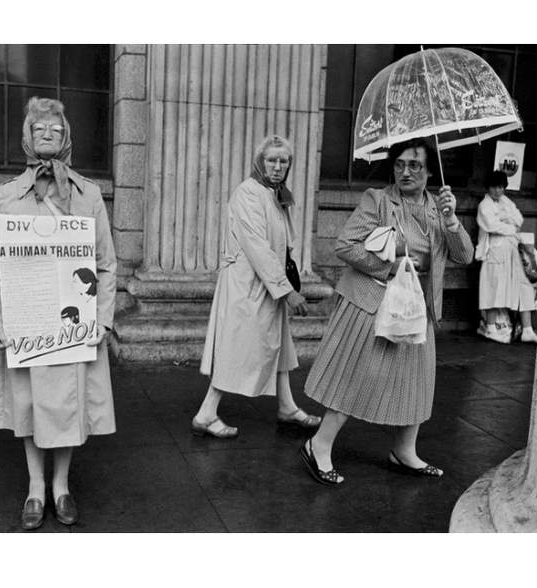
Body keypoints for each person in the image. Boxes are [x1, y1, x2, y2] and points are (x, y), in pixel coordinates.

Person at [300, 138, 474, 484]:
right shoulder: (377, 200)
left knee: (417, 381)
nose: (406, 171)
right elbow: (345, 245)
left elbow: (465, 256)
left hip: (415, 308)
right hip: (373, 304)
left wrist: (452, 221)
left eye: (415, 165)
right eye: (399, 164)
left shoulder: (439, 210)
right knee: (357, 376)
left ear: (429, 170)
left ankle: (404, 452)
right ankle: (317, 445)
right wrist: (393, 267)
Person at [0, 97, 117, 530]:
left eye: (55, 130)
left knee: (67, 405)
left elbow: (106, 263)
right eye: (39, 128)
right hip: (26, 327)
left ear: (66, 137)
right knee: (27, 404)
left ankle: (61, 485)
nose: (47, 135)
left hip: (71, 326)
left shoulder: (89, 194)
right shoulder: (7, 196)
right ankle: (35, 487)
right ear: (27, 135)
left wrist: (103, 319)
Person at [194, 135, 321, 438]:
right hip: (248, 286)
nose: (278, 166)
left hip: (266, 284)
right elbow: (257, 246)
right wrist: (287, 290)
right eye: (272, 160)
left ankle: (287, 406)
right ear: (260, 161)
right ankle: (206, 413)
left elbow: (283, 243)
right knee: (237, 348)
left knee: (278, 345)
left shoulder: (276, 194)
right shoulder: (248, 193)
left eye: (284, 161)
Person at [475, 170, 537, 344]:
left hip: (513, 249)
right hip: (494, 250)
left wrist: (505, 218)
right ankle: (490, 328)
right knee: (493, 286)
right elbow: (491, 225)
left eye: (501, 187)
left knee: (523, 284)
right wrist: (508, 225)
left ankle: (527, 329)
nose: (498, 191)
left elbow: (518, 219)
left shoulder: (506, 202)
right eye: (494, 187)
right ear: (488, 188)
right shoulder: (485, 205)